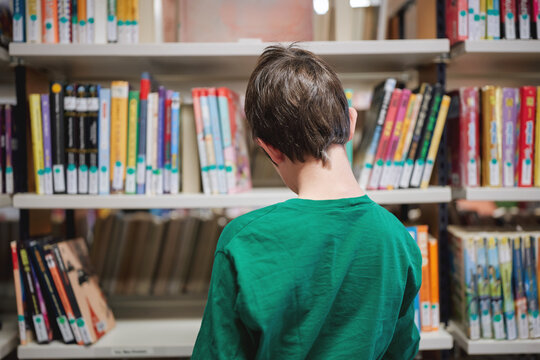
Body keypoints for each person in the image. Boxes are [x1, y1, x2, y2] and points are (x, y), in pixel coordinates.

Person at [192, 44, 422, 359]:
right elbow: (402, 351)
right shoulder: (399, 240)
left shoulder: (243, 240)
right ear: (351, 122)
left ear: (269, 148)